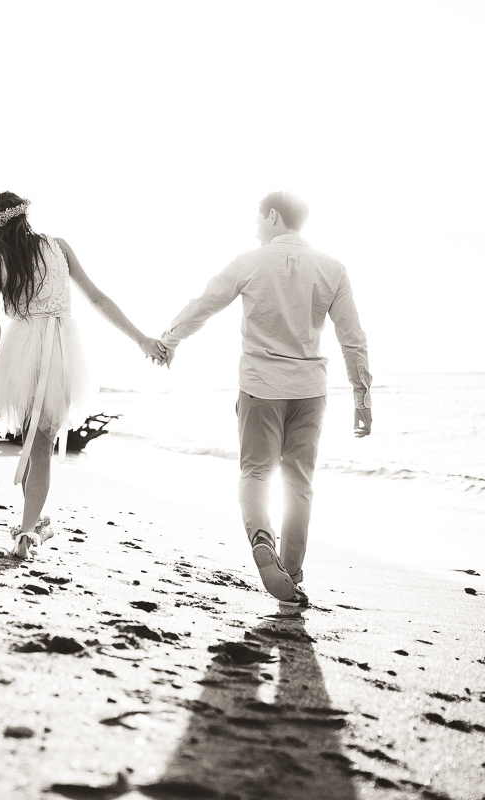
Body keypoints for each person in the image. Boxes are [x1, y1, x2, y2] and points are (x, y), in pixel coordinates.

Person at [158, 192, 372, 607]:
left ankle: (261, 539)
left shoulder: (249, 262)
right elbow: (352, 336)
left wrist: (170, 339)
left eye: (258, 219)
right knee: (299, 483)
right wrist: (362, 394)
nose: (255, 228)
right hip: (310, 390)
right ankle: (291, 576)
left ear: (273, 216)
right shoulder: (333, 269)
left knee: (256, 473)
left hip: (260, 388)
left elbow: (204, 304)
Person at [0, 192, 162, 559]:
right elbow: (96, 297)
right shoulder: (57, 246)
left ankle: (31, 525)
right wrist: (140, 338)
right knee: (41, 447)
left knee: (34, 448)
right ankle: (27, 535)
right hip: (61, 350)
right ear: (25, 217)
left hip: (19, 353)